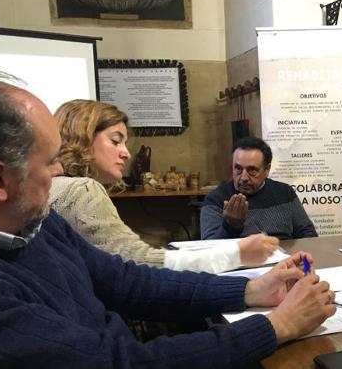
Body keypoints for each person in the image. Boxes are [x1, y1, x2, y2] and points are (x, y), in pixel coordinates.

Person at [0, 79, 336, 367]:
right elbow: (120, 362)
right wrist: (277, 325)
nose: (59, 170)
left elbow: (127, 280)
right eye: (48, 162)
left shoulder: (39, 223)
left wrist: (248, 291)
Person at [48, 99, 278, 274]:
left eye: (124, 143)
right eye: (115, 141)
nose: (126, 153)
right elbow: (137, 264)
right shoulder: (82, 190)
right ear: (84, 139)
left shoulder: (54, 187)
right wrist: (237, 254)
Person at [201, 136, 318, 240]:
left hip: (285, 259)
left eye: (252, 170)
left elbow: (308, 233)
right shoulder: (216, 199)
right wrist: (231, 226)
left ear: (267, 170)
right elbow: (209, 251)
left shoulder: (284, 192)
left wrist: (304, 263)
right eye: (238, 169)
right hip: (241, 262)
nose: (243, 177)